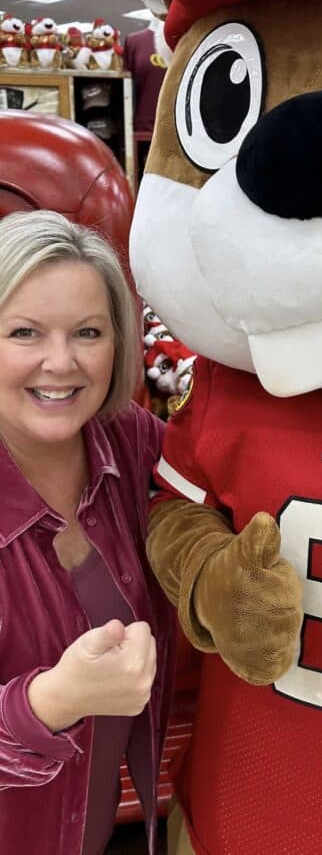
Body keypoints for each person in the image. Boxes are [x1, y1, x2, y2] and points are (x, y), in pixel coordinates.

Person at [0, 210, 175, 855]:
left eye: (87, 332)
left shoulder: (126, 439)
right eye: (24, 332)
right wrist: (51, 701)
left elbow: (231, 480)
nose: (59, 362)